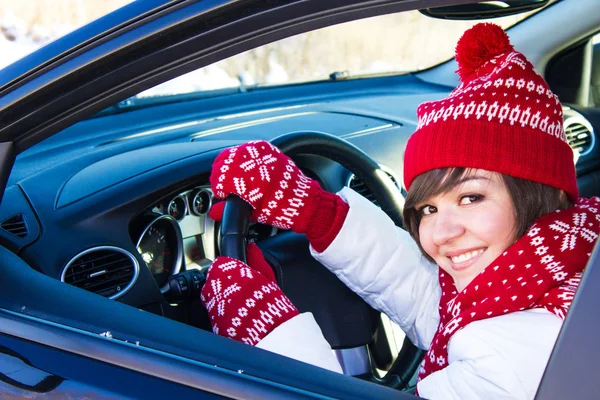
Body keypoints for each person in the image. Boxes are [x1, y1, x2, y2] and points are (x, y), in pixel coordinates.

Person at [200, 23, 600, 399]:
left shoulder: (519, 352)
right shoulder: (558, 273)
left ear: (538, 193)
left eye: (470, 198)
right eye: (427, 207)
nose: (440, 233)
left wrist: (269, 340)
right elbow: (436, 306)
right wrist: (318, 214)